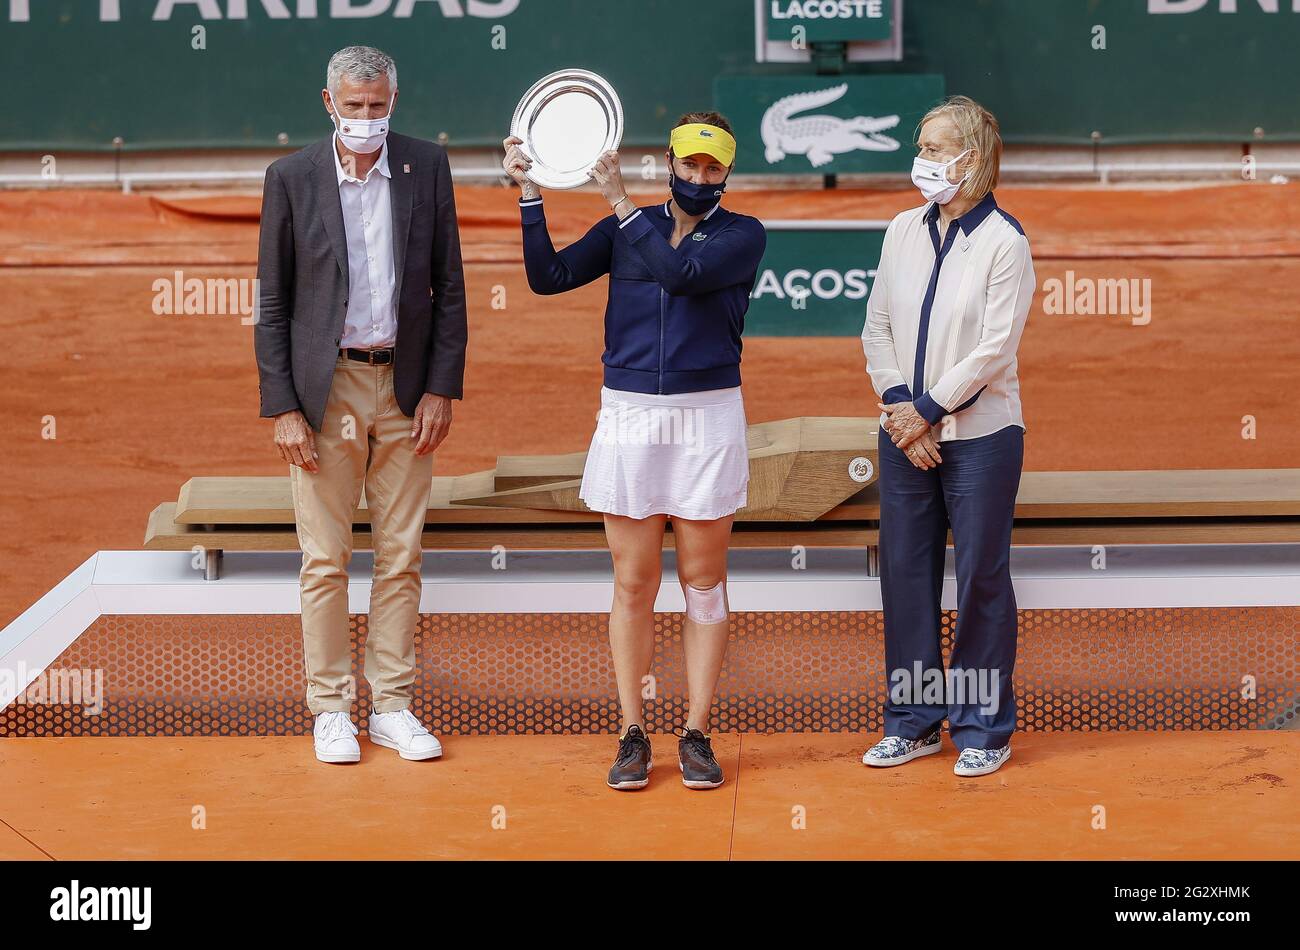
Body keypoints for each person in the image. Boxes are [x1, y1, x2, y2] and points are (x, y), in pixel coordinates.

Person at [502, 113, 767, 790]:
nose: (701, 178)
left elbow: (678, 276)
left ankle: (697, 732)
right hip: (628, 417)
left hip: (707, 418)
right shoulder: (632, 225)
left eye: (714, 169)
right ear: (670, 164)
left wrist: (620, 202)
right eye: (690, 166)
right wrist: (531, 197)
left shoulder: (742, 235)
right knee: (632, 582)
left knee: (703, 583)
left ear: (727, 174)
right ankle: (631, 732)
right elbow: (549, 277)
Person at [254, 45, 468, 764]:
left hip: (406, 386)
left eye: (378, 108)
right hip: (327, 387)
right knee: (325, 557)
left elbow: (450, 287)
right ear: (328, 104)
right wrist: (284, 406)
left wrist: (440, 386)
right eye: (355, 108)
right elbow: (274, 300)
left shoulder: (425, 166)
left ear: (393, 104)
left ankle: (393, 707)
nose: (367, 120)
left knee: (401, 555)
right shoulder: (290, 179)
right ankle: (329, 708)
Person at [861, 95, 1035, 777]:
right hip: (905, 434)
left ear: (974, 158)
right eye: (922, 146)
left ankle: (983, 729)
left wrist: (929, 410)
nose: (923, 160)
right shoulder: (902, 228)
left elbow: (993, 349)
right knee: (906, 578)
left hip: (983, 438)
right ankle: (914, 723)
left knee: (982, 579)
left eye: (935, 149)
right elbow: (877, 326)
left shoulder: (1006, 242)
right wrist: (903, 408)